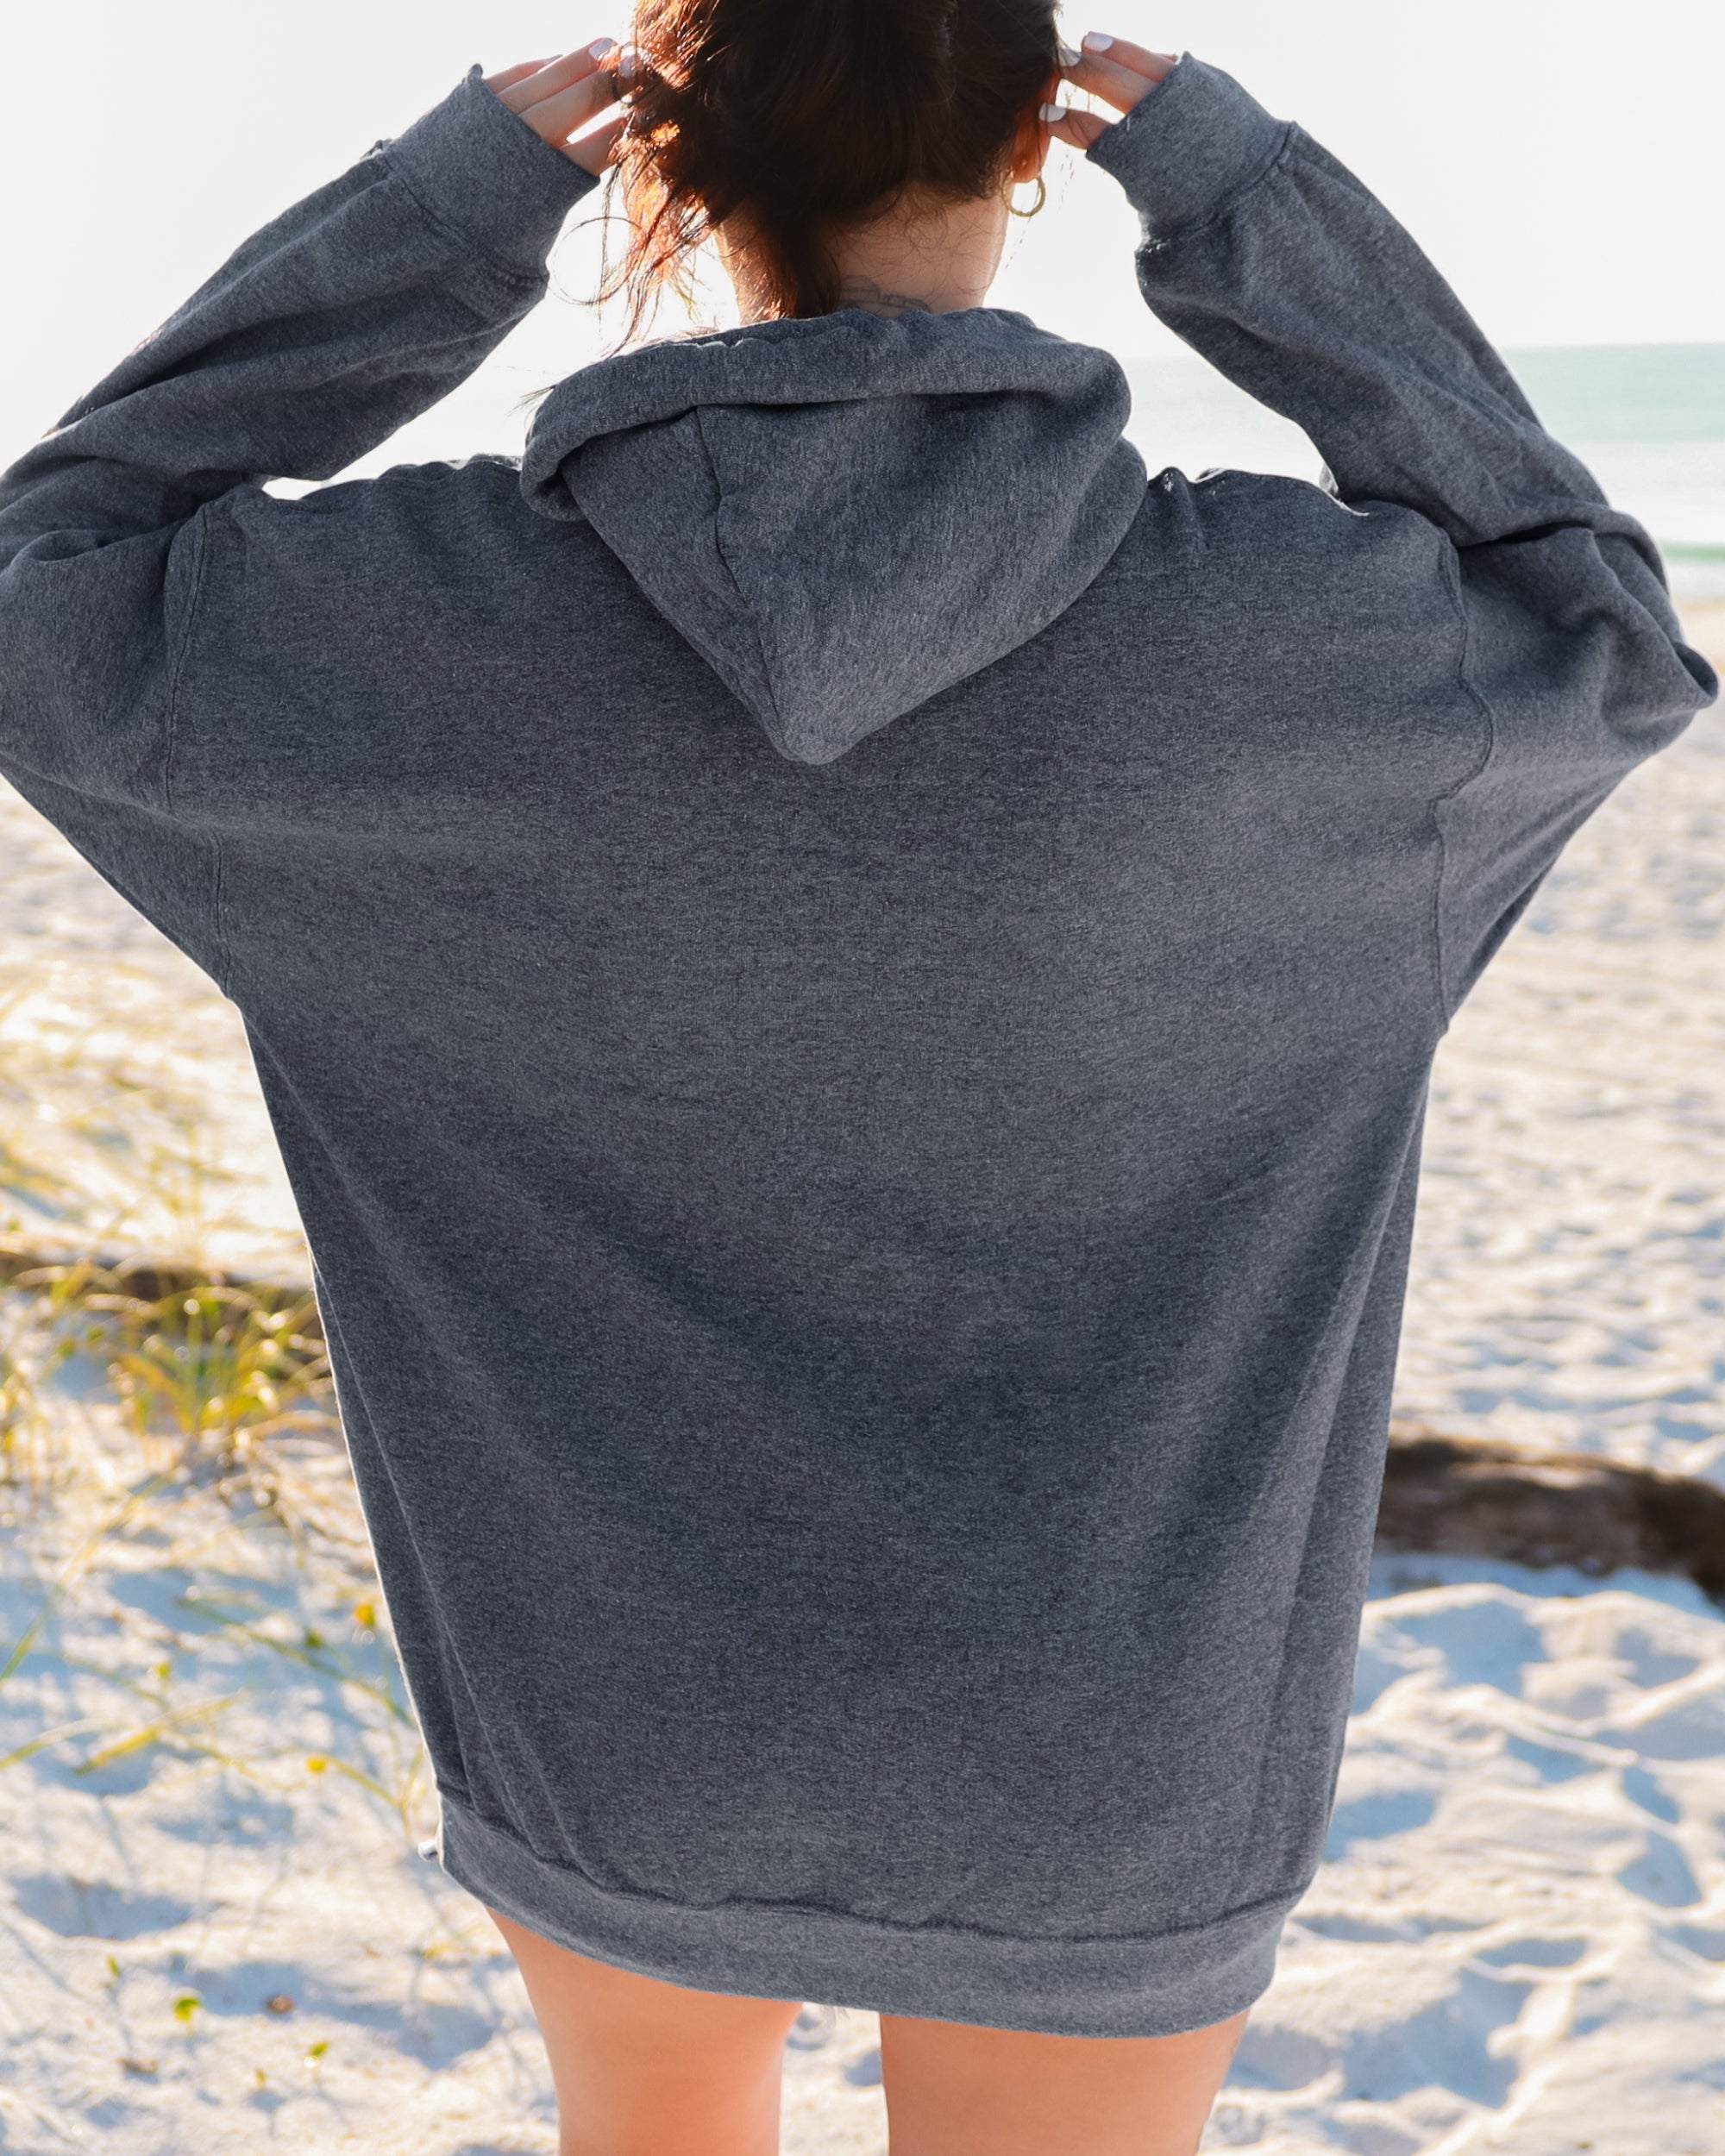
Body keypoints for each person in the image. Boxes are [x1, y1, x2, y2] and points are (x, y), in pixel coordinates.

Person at [0, 5, 1714, 2151]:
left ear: (669, 166)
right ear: (1028, 146)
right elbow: (1601, 627)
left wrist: (443, 213)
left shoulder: (400, 632)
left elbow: (41, 592)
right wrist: (1248, 201)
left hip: (621, 1719)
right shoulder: (1295, 644)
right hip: (1109, 1750)